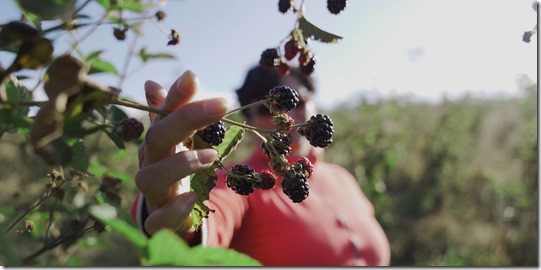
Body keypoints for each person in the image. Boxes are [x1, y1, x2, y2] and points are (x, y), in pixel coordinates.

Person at [130, 65, 391, 266]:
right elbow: (214, 213)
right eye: (268, 109)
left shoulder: (342, 177)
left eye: (297, 102)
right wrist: (177, 209)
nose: (287, 117)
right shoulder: (243, 182)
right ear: (249, 119)